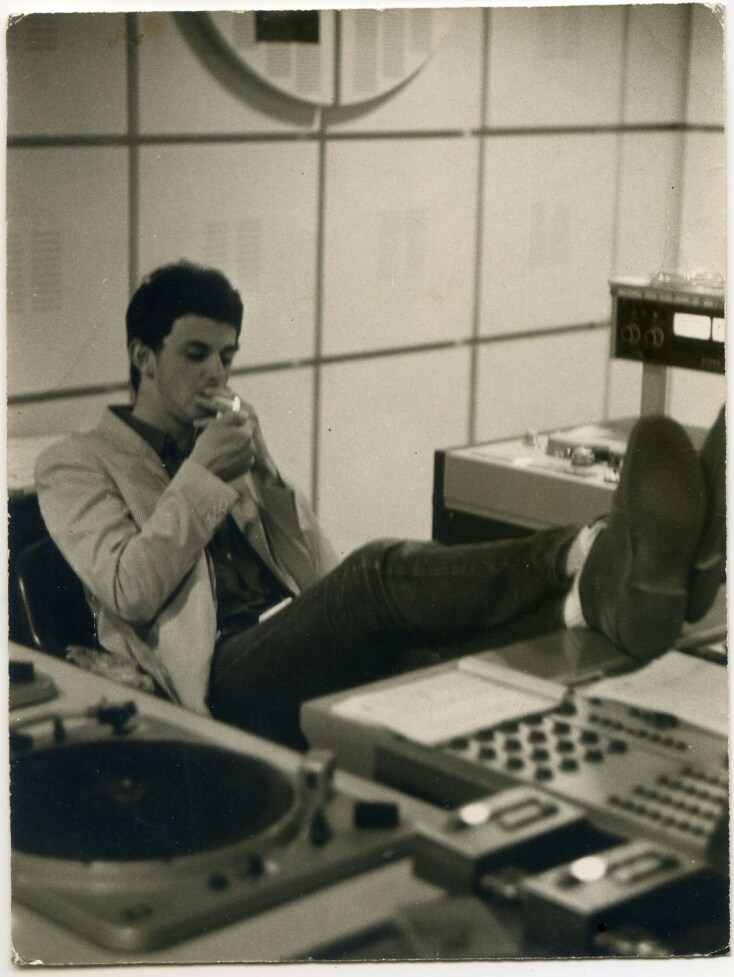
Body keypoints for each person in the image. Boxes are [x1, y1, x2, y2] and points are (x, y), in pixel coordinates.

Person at [35, 261, 726, 750]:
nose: (216, 372)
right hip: (216, 674)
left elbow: (316, 568)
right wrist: (202, 476)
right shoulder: (75, 463)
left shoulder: (218, 441)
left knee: (434, 656)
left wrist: (265, 475)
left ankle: (596, 601)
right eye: (195, 354)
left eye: (227, 356)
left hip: (287, 635)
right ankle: (587, 550)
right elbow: (129, 588)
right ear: (143, 357)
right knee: (377, 572)